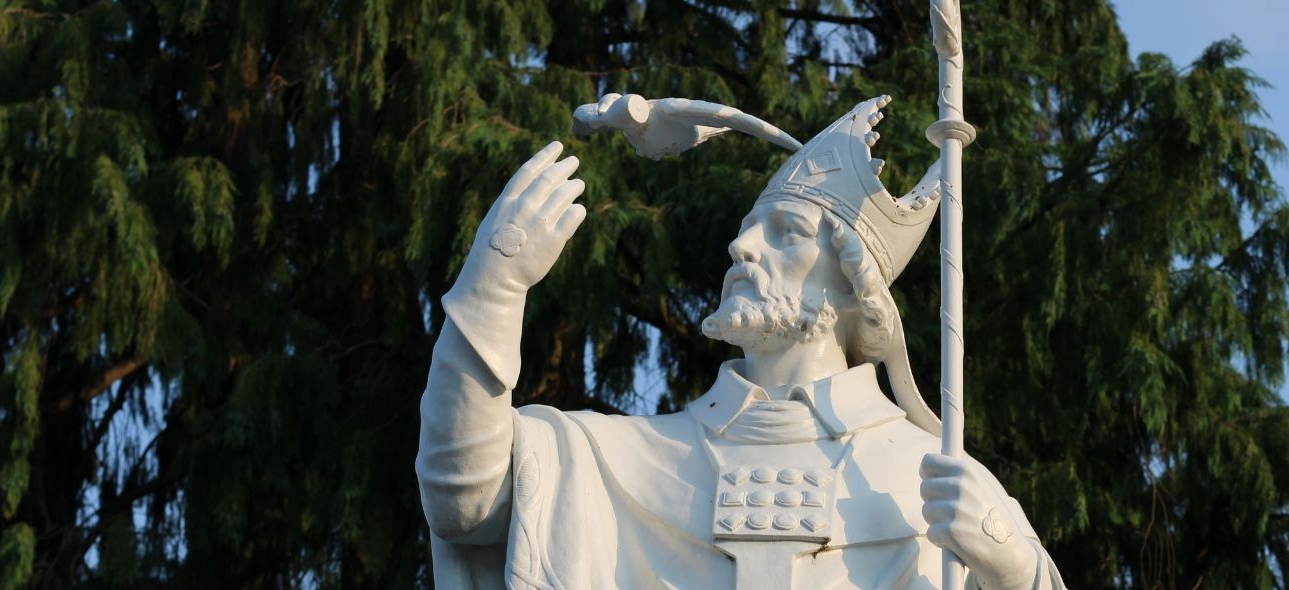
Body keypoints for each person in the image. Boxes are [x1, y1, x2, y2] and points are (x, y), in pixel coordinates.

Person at [417, 95, 1066, 589]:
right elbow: (464, 500)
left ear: (852, 289)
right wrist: (493, 289)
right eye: (749, 228)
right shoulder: (615, 459)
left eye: (784, 232)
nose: (742, 246)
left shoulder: (929, 478)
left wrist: (1013, 566)